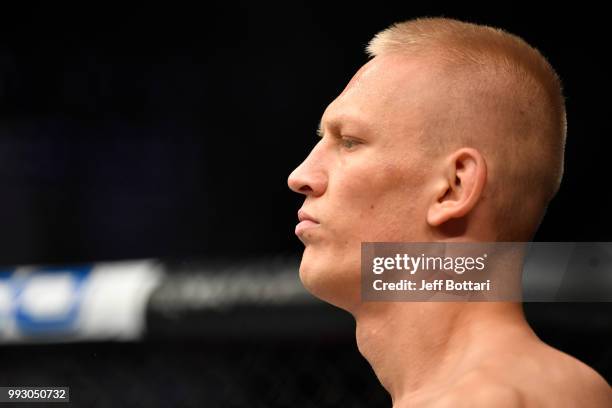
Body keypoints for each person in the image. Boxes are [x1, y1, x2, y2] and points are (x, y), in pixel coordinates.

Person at [288, 17, 612, 407]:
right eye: (324, 140)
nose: (301, 176)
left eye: (351, 141)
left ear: (454, 187)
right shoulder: (573, 389)